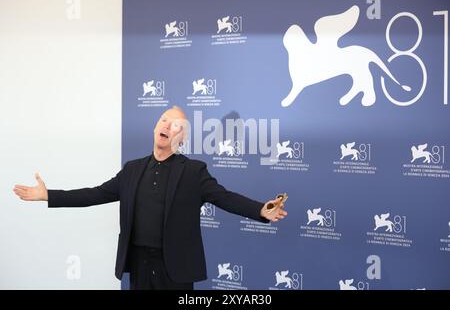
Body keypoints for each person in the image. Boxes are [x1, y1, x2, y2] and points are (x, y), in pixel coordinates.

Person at [13, 106, 288, 290]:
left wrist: (260, 210)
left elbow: (224, 198)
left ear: (182, 138)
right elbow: (95, 194)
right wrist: (48, 195)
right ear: (156, 127)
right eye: (164, 120)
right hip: (139, 266)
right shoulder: (132, 169)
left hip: (175, 270)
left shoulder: (193, 172)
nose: (168, 125)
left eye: (177, 125)